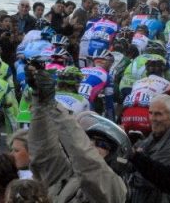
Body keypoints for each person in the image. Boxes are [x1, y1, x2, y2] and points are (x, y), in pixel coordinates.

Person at [26, 65, 128, 202]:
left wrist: (53, 106)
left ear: (116, 155)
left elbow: (89, 164)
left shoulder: (116, 188)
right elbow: (42, 152)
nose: (91, 144)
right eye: (88, 139)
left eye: (101, 144)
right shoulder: (65, 176)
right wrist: (40, 100)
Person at [129, 94, 170, 203]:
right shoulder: (150, 138)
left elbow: (148, 180)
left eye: (158, 114)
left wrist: (133, 165)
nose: (152, 118)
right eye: (150, 113)